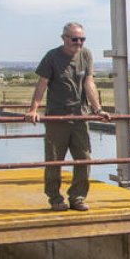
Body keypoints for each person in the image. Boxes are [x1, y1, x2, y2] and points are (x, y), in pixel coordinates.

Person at [25, 21, 110, 211]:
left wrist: (98, 109)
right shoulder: (52, 57)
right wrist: (33, 109)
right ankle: (55, 198)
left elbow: (89, 82)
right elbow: (42, 84)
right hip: (58, 117)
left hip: (80, 116)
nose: (78, 43)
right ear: (64, 38)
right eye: (74, 39)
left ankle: (77, 197)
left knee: (84, 157)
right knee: (55, 160)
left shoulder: (86, 54)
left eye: (82, 39)